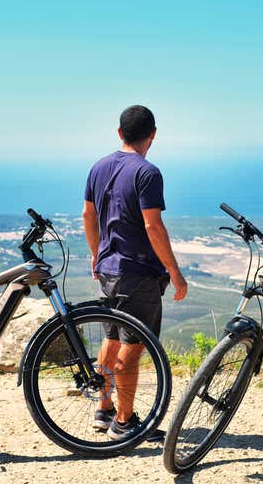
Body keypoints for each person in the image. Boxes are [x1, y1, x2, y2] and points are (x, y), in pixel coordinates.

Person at [82, 105, 188, 441]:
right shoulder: (148, 173)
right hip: (138, 272)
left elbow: (88, 215)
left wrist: (96, 254)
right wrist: (174, 270)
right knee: (133, 344)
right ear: (153, 134)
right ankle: (124, 423)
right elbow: (152, 225)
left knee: (112, 338)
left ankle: (104, 408)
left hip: (109, 269)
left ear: (119, 133)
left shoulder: (98, 167)